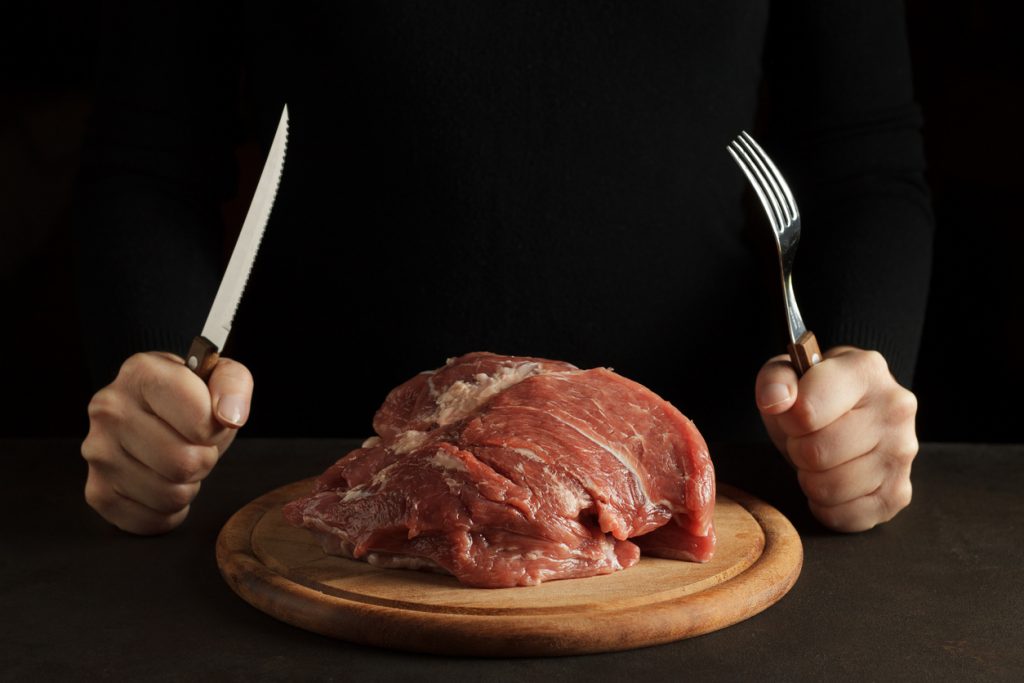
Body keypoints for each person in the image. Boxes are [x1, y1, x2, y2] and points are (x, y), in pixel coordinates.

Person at [75, 2, 931, 536]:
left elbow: (868, 163)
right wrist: (155, 376)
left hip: (698, 503)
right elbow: (147, 163)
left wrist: (859, 366)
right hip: (307, 508)